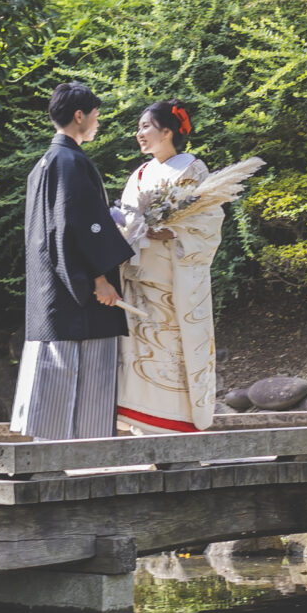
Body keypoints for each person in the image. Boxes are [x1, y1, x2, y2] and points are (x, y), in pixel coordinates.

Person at [11, 81, 136, 440]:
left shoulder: (47, 162)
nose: (98, 123)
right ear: (79, 116)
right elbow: (77, 226)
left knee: (52, 370)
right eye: (95, 116)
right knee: (75, 369)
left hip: (51, 286)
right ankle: (78, 453)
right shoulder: (69, 162)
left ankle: (50, 452)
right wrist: (98, 278)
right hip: (76, 290)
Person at [111, 99, 223, 433]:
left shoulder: (191, 168)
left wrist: (172, 231)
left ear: (167, 131)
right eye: (139, 127)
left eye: (146, 126)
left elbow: (208, 221)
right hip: (138, 278)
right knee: (138, 348)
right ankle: (138, 422)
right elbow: (127, 219)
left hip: (173, 282)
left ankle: (177, 425)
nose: (139, 133)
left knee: (172, 349)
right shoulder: (140, 173)